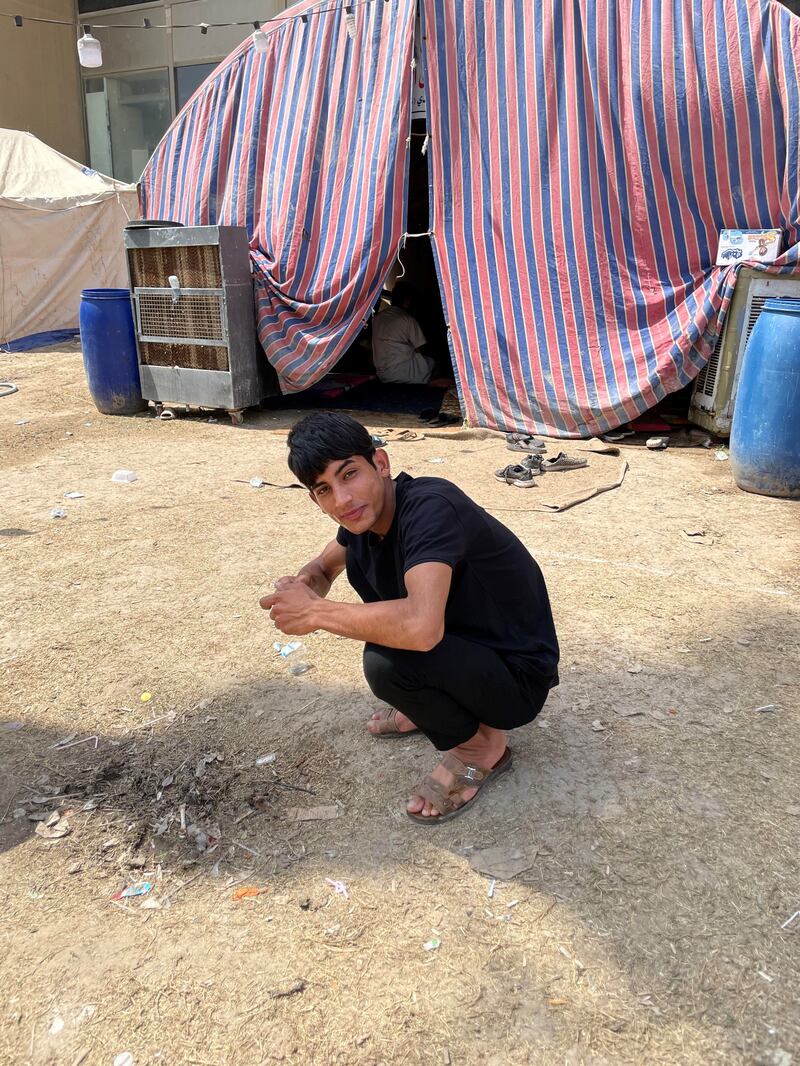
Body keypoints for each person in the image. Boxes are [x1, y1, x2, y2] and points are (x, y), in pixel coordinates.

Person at [260, 412, 559, 824]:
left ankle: (480, 748)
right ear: (315, 499)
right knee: (388, 643)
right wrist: (303, 583)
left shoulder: (429, 508)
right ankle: (437, 709)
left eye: (350, 474)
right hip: (467, 651)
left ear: (380, 464)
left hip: (516, 675)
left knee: (386, 663)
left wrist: (314, 611)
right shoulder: (362, 521)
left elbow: (420, 627)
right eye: (325, 489)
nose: (342, 499)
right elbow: (325, 568)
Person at [371, 282, 435, 384]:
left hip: (383, 374)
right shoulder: (407, 319)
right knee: (431, 362)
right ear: (407, 302)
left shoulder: (377, 318)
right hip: (404, 372)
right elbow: (419, 348)